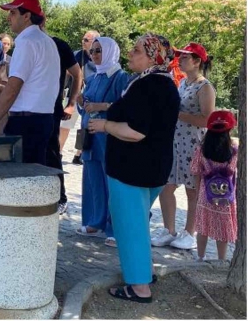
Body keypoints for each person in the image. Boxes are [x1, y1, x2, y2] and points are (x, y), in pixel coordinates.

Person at [88, 33, 180, 303]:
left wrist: (104, 125)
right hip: (154, 167)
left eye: (137, 49)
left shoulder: (147, 85)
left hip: (133, 169)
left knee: (129, 226)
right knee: (138, 222)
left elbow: (136, 132)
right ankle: (145, 272)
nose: (131, 52)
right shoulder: (165, 83)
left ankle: (139, 287)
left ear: (153, 56)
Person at [152, 43, 216, 250]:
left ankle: (190, 232)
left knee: (193, 190)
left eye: (186, 57)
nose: (180, 60)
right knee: (166, 185)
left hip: (194, 144)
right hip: (175, 142)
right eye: (180, 56)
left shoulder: (204, 87)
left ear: (197, 61)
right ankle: (169, 230)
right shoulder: (182, 84)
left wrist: (177, 114)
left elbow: (207, 119)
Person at [0, 0, 60, 166]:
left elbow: (13, 87)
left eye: (13, 13)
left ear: (27, 16)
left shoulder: (26, 41)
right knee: (34, 180)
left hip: (25, 122)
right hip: (44, 119)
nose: (8, 18)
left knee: (17, 182)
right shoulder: (48, 41)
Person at [75, 37, 129, 246]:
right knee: (93, 179)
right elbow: (86, 107)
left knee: (112, 181)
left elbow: (124, 106)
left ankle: (115, 227)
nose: (95, 55)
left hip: (109, 135)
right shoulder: (95, 76)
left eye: (99, 51)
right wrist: (81, 102)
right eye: (93, 51)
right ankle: (95, 221)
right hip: (90, 135)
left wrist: (101, 106)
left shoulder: (120, 77)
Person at [38, 19, 82, 213]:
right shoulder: (22, 44)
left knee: (52, 152)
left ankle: (60, 197)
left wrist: (71, 103)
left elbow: (76, 73)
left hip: (51, 109)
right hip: (26, 111)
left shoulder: (58, 44)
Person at [191, 110, 238, 262]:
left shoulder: (202, 149)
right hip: (227, 196)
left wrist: (198, 193)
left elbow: (196, 172)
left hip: (206, 194)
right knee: (223, 230)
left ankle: (200, 256)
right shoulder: (234, 150)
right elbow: (235, 171)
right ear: (229, 129)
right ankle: (221, 259)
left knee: (202, 226)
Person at [63, 30, 100, 165]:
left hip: (92, 97)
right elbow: (67, 71)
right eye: (83, 39)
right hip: (75, 94)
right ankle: (59, 152)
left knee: (86, 126)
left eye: (86, 40)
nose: (82, 42)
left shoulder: (100, 56)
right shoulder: (76, 55)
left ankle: (79, 153)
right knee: (65, 125)